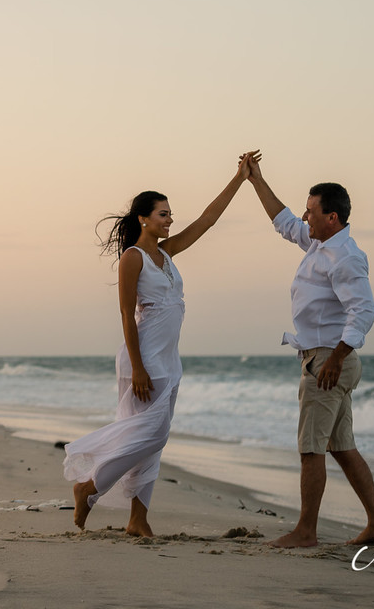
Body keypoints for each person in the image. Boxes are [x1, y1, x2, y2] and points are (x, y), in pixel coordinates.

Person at [63, 155, 254, 536]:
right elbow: (124, 315)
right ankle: (88, 487)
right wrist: (137, 367)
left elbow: (208, 220)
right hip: (144, 359)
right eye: (163, 214)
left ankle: (138, 519)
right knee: (152, 433)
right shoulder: (132, 258)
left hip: (169, 359)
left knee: (152, 443)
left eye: (170, 214)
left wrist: (239, 179)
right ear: (143, 219)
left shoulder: (167, 254)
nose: (170, 220)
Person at [242, 154, 374, 548]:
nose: (305, 218)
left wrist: (337, 359)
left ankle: (305, 531)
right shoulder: (319, 243)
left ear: (333, 218)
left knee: (311, 448)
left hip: (329, 360)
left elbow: (364, 311)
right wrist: (257, 180)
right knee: (341, 447)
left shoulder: (344, 256)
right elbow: (284, 221)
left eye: (312, 212)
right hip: (326, 358)